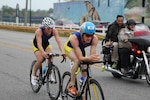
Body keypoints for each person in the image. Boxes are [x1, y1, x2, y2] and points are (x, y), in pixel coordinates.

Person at [64, 22, 100, 96]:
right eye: (87, 35)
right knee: (77, 61)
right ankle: (72, 84)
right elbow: (80, 58)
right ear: (82, 34)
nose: (89, 38)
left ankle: (82, 90)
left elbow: (92, 54)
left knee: (85, 69)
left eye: (91, 35)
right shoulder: (74, 38)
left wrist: (93, 59)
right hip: (70, 47)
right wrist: (88, 58)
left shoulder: (95, 39)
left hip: (80, 48)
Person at [31, 17, 65, 85]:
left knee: (50, 56)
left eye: (51, 28)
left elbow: (59, 42)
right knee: (41, 59)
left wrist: (63, 52)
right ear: (44, 27)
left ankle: (49, 72)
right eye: (48, 28)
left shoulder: (54, 31)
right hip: (37, 46)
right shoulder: (39, 31)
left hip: (46, 45)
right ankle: (33, 75)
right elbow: (39, 44)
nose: (50, 30)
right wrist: (43, 52)